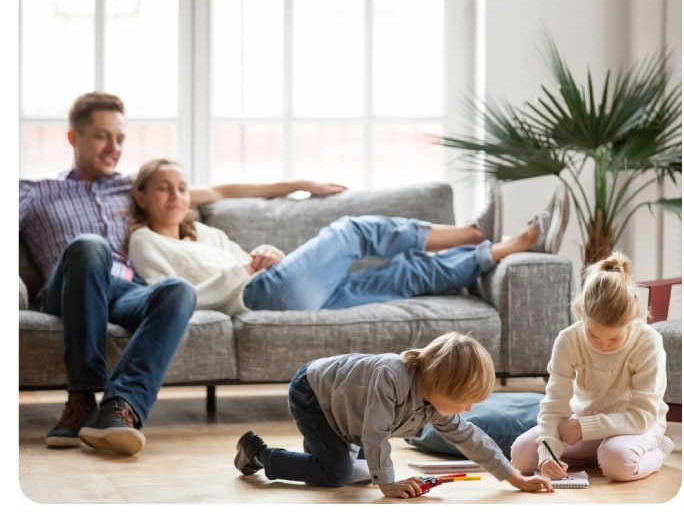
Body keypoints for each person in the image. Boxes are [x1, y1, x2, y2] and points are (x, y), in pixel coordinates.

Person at [17, 92, 344, 455]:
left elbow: (221, 190)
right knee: (89, 245)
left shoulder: (129, 187)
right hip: (68, 291)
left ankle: (119, 409)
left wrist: (300, 185)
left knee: (177, 289)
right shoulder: (34, 193)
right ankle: (81, 399)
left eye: (120, 138)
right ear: (73, 137)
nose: (113, 147)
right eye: (101, 136)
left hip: (125, 290)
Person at [127, 159, 571, 316]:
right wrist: (246, 269)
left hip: (282, 286)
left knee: (404, 275)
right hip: (258, 295)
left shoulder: (204, 231)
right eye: (163, 187)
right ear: (142, 196)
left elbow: (250, 259)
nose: (175, 195)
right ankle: (473, 232)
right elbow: (171, 296)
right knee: (353, 230)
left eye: (181, 187)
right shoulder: (145, 242)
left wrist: (264, 253)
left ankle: (508, 246)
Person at [232, 332, 553, 497]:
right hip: (313, 395)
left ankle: (321, 454)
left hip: (347, 412)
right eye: (465, 401)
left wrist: (516, 478)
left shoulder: (435, 403)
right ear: (442, 385)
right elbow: (375, 433)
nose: (468, 409)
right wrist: (388, 484)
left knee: (352, 472)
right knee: (338, 474)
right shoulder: (391, 378)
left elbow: (472, 439)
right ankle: (259, 454)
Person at [510, 251, 675, 481]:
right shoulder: (568, 339)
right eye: (593, 335)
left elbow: (642, 416)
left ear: (634, 320)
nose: (603, 345)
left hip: (637, 425)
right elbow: (554, 406)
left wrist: (583, 428)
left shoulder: (648, 342)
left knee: (617, 463)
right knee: (521, 456)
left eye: (614, 339)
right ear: (581, 313)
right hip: (585, 420)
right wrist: (548, 454)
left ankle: (656, 452)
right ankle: (595, 454)